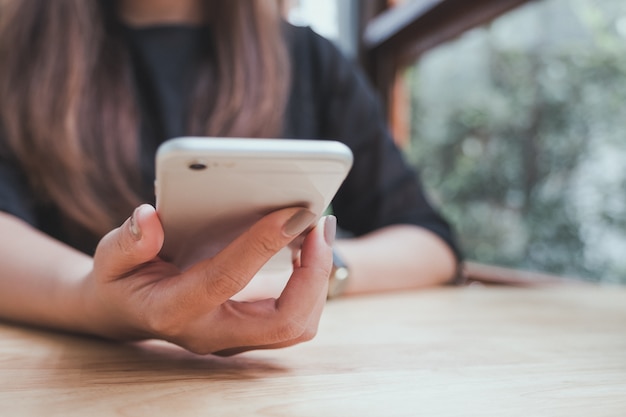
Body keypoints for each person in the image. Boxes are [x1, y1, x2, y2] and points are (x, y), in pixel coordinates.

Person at [0, 0, 460, 355]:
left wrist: (316, 273)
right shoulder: (16, 59)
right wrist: (93, 298)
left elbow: (429, 242)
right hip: (76, 368)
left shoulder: (308, 59)